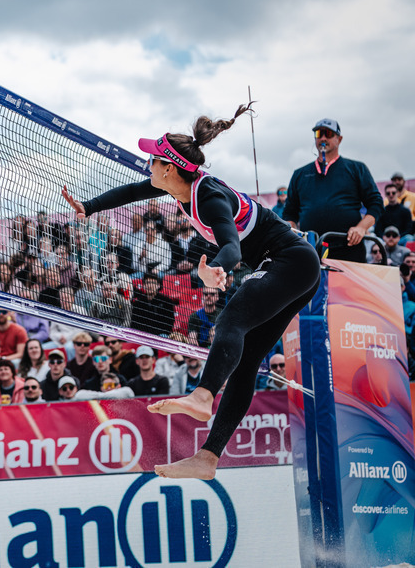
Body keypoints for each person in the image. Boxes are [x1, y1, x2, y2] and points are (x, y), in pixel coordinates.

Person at [63, 104, 321, 479]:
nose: (147, 164)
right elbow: (134, 192)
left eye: (152, 159)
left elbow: (230, 243)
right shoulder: (179, 188)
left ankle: (203, 396)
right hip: (292, 268)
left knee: (232, 317)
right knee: (245, 360)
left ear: (169, 168)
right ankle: (208, 457)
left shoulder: (209, 196)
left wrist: (218, 266)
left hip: (292, 261)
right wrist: (88, 207)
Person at [282, 118, 382, 262]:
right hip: (312, 249)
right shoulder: (300, 174)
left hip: (348, 248)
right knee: (312, 284)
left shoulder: (356, 168)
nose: (323, 138)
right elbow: (290, 212)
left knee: (347, 286)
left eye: (328, 133)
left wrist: (361, 227)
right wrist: (291, 231)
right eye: (318, 134)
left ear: (339, 139)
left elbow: (376, 203)